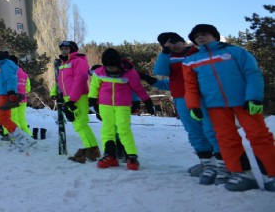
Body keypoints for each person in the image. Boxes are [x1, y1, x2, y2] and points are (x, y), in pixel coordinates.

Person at [183, 24, 275, 192]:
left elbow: (252, 73)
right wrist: (193, 106)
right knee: (226, 139)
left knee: (259, 136)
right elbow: (190, 86)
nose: (200, 38)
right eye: (196, 37)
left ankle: (271, 175)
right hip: (214, 105)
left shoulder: (235, 52)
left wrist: (254, 97)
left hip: (245, 102)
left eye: (204, 34)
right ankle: (242, 175)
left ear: (215, 35)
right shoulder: (191, 61)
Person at [152, 31, 224, 185]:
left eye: (175, 41)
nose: (172, 46)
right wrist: (165, 52)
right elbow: (160, 71)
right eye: (167, 44)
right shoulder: (168, 58)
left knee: (212, 131)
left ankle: (225, 166)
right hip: (182, 99)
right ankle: (208, 165)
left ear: (182, 41)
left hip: (204, 98)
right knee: (195, 133)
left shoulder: (197, 52)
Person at [89, 48, 155, 170]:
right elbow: (94, 87)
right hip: (105, 105)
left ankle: (131, 156)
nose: (111, 69)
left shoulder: (129, 73)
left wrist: (147, 101)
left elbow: (138, 88)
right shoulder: (99, 72)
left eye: (113, 67)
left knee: (123, 129)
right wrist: (92, 100)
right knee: (107, 130)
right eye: (108, 67)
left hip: (123, 106)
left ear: (118, 64)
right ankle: (110, 156)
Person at [49, 41, 100, 164]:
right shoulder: (64, 63)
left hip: (78, 97)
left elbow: (80, 81)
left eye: (66, 48)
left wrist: (72, 99)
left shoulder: (78, 61)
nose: (64, 51)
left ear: (72, 49)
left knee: (81, 124)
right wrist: (54, 92)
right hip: (69, 97)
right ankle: (92, 150)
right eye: (62, 49)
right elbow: (59, 81)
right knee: (78, 125)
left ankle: (92, 152)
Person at [0, 51, 35, 151]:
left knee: (6, 119)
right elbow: (27, 88)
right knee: (6, 119)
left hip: (6, 94)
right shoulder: (6, 66)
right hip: (8, 95)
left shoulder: (6, 65)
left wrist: (11, 92)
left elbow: (11, 79)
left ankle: (24, 139)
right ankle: (20, 140)